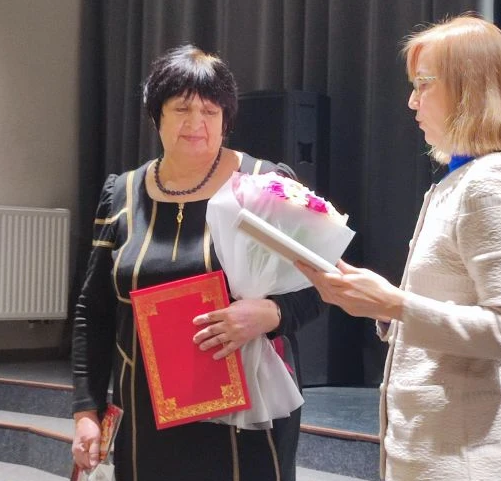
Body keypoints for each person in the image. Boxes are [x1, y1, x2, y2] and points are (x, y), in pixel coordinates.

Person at [298, 15, 501, 481]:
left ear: (469, 90)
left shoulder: (491, 183)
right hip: (430, 452)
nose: (412, 101)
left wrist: (397, 303)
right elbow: (445, 311)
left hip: (460, 462)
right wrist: (384, 309)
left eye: (424, 84)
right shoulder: (456, 182)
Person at [71, 45, 324, 481]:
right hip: (145, 414)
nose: (196, 123)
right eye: (182, 109)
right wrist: (85, 411)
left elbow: (324, 283)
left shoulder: (266, 184)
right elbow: (93, 312)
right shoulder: (121, 194)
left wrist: (273, 313)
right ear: (157, 115)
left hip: (247, 414)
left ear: (226, 119)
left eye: (210, 111)